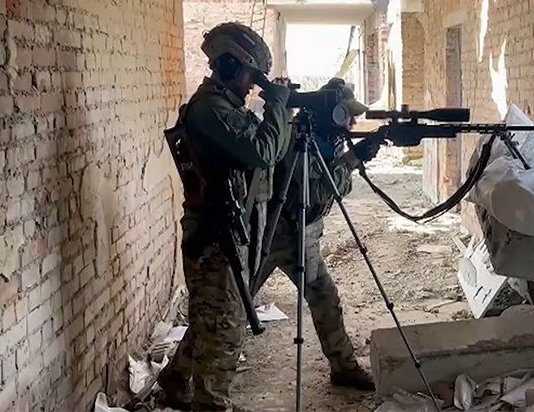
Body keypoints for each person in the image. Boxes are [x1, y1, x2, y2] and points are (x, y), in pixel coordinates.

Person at [158, 22, 293, 411]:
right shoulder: (209, 110)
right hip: (214, 238)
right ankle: (211, 405)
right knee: (225, 327)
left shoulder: (228, 107)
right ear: (230, 65)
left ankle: (175, 379)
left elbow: (274, 150)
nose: (252, 86)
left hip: (229, 231)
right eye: (251, 75)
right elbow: (261, 153)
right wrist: (278, 105)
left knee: (214, 317)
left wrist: (281, 109)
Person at [253, 77, 383, 391]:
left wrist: (351, 157)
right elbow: (319, 190)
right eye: (349, 116)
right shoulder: (297, 139)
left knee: (325, 298)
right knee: (231, 306)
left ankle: (344, 368)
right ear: (334, 114)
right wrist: (353, 159)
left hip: (303, 233)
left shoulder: (327, 140)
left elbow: (332, 187)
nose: (353, 123)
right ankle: (179, 374)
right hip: (273, 235)